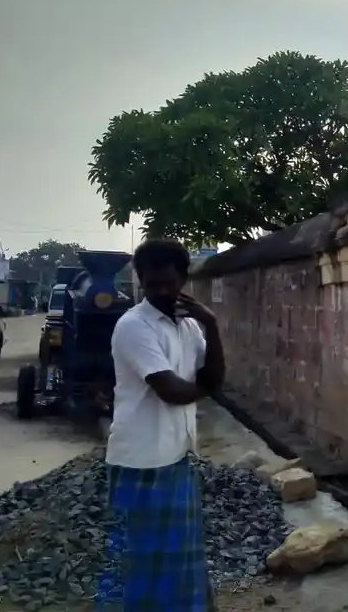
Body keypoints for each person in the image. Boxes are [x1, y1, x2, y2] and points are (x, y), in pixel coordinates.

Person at [97, 238, 225, 610]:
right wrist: (205, 386)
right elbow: (172, 390)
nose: (161, 292)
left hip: (176, 455)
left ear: (183, 278)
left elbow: (214, 376)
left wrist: (212, 325)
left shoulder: (188, 326)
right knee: (141, 564)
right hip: (140, 462)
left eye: (169, 283)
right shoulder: (133, 326)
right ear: (140, 281)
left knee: (181, 559)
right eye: (152, 285)